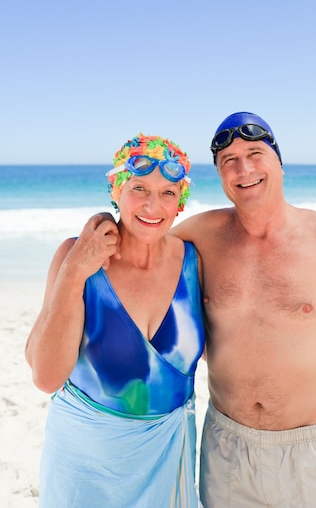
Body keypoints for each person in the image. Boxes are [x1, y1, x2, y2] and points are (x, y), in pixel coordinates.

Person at [168, 111, 316, 508]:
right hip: (226, 447)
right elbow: (135, 255)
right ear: (220, 176)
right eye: (228, 161)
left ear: (279, 163)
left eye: (255, 153)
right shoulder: (199, 235)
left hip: (311, 448)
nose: (244, 168)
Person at [25, 133, 205, 507]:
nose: (153, 205)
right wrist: (75, 271)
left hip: (166, 456)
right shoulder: (77, 257)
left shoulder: (195, 263)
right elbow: (45, 376)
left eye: (168, 193)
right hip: (85, 462)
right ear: (116, 189)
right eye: (140, 188)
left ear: (181, 202)